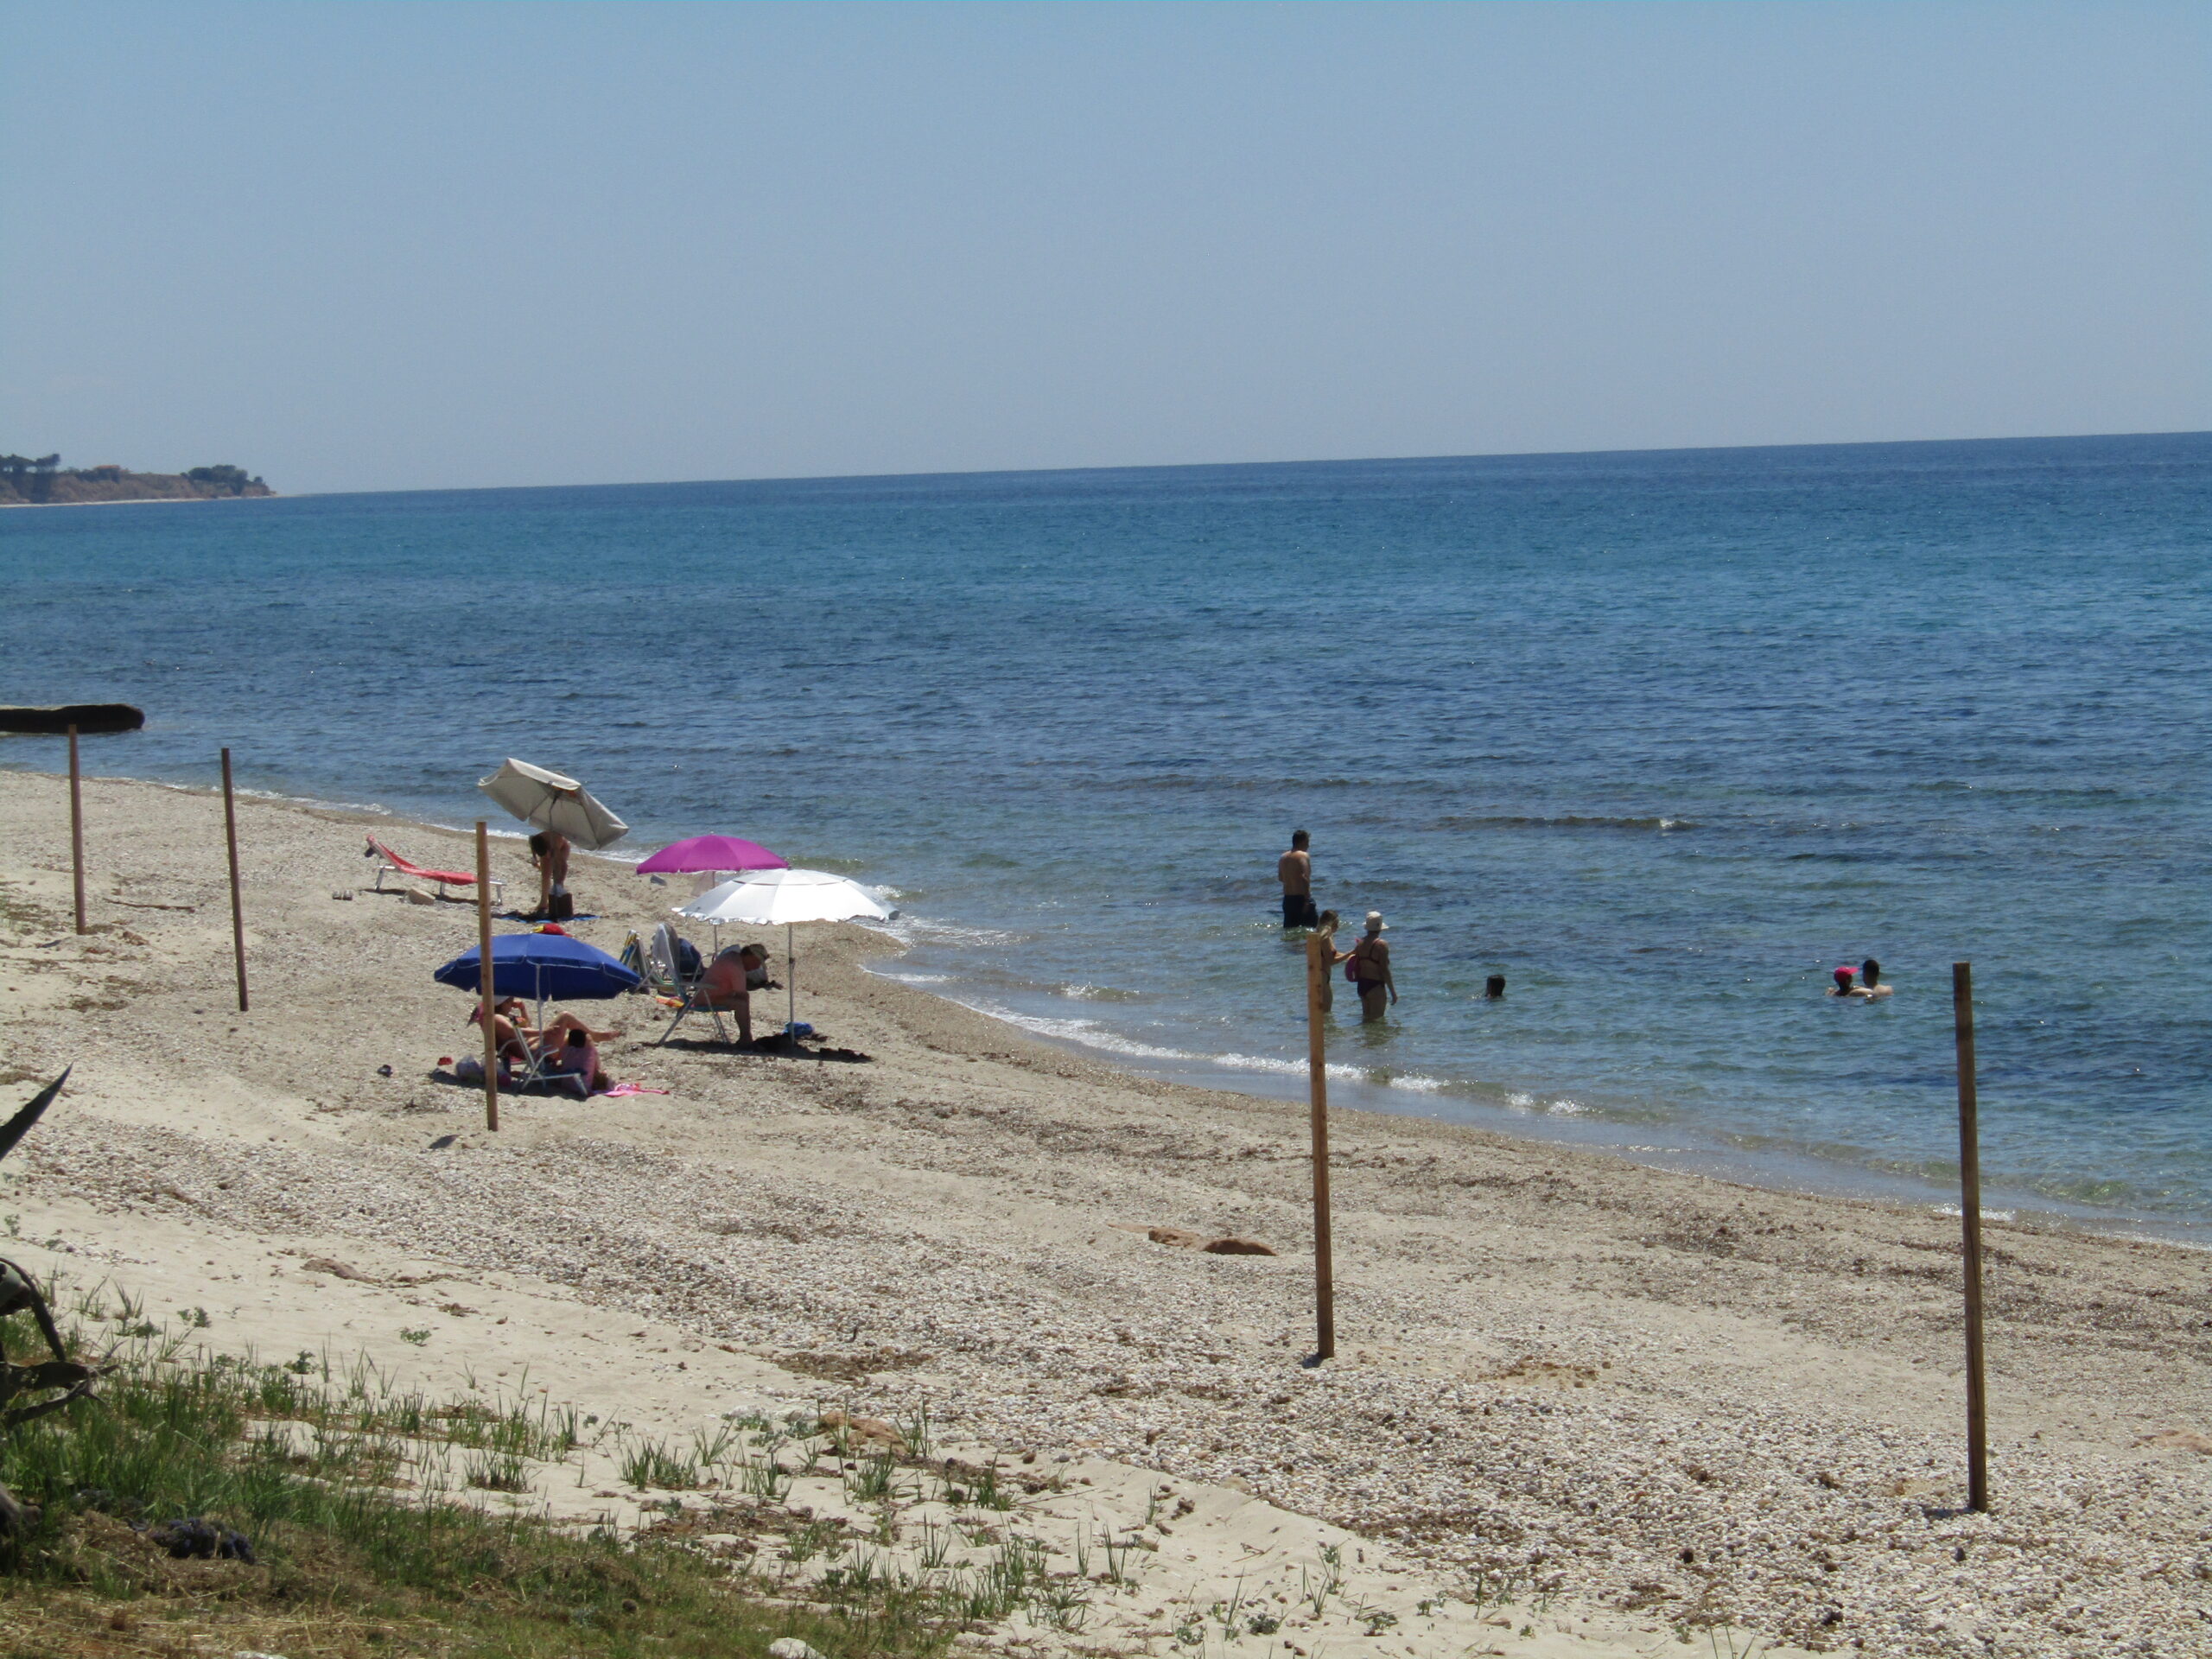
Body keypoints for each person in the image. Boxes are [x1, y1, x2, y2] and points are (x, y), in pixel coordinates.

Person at [697, 943, 772, 1044]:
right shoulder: (735, 965)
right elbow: (741, 993)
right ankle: (745, 1037)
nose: (756, 967)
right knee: (741, 1003)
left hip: (713, 994)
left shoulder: (734, 958)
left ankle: (746, 1037)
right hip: (707, 998)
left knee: (743, 1000)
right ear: (749, 957)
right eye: (756, 963)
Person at [1348, 912, 1396, 1023]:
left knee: (1367, 1022)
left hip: (1362, 985)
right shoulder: (1381, 945)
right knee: (1378, 1022)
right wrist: (1393, 992)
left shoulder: (1360, 943)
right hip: (1375, 986)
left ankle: (1367, 1040)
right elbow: (1384, 970)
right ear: (1379, 927)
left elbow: (1356, 964)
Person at [538, 1025, 607, 1096]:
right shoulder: (589, 1049)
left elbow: (559, 1058)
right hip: (581, 1086)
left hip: (566, 1084)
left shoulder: (567, 1048)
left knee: (569, 1039)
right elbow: (597, 1066)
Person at [1308, 910, 1350, 1012]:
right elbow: (1331, 961)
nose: (1338, 927)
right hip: (1322, 975)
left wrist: (1351, 955)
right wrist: (1350, 953)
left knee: (1322, 1014)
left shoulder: (1323, 934)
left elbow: (1332, 954)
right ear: (1332, 923)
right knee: (1325, 1013)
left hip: (1320, 975)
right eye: (1337, 924)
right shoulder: (1325, 937)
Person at [528, 830, 573, 921]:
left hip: (562, 848)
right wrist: (536, 862)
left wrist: (560, 879)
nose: (548, 857)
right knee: (545, 875)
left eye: (547, 854)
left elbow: (563, 866)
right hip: (546, 848)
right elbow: (536, 859)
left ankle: (558, 900)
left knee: (558, 875)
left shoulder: (555, 841)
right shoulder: (534, 841)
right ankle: (543, 902)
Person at [1278, 830, 1318, 930]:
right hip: (1301, 899)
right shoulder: (1303, 855)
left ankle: (1294, 946)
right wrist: (1307, 900)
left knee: (1290, 932)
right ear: (1303, 842)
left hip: (1287, 900)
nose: (1308, 845)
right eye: (1308, 842)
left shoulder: (1283, 857)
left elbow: (1281, 878)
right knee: (1312, 931)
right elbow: (1304, 877)